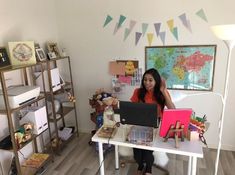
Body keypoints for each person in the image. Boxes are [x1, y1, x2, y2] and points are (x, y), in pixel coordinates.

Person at [130, 68, 175, 175]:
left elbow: (172, 109)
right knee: (137, 154)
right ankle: (140, 165)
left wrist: (163, 91)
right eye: (145, 80)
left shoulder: (161, 93)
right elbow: (131, 108)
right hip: (139, 124)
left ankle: (148, 169)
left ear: (156, 81)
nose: (147, 82)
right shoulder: (138, 92)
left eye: (150, 80)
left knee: (147, 152)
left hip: (155, 125)